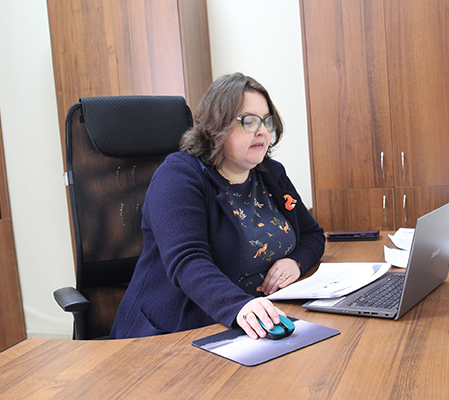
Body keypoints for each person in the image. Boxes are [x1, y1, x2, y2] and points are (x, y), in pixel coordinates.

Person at [110, 72, 325, 340]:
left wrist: (295, 262)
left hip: (260, 321)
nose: (262, 131)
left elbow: (313, 235)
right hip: (177, 332)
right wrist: (240, 307)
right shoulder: (178, 176)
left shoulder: (272, 173)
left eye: (266, 121)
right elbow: (188, 261)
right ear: (216, 126)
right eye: (249, 121)